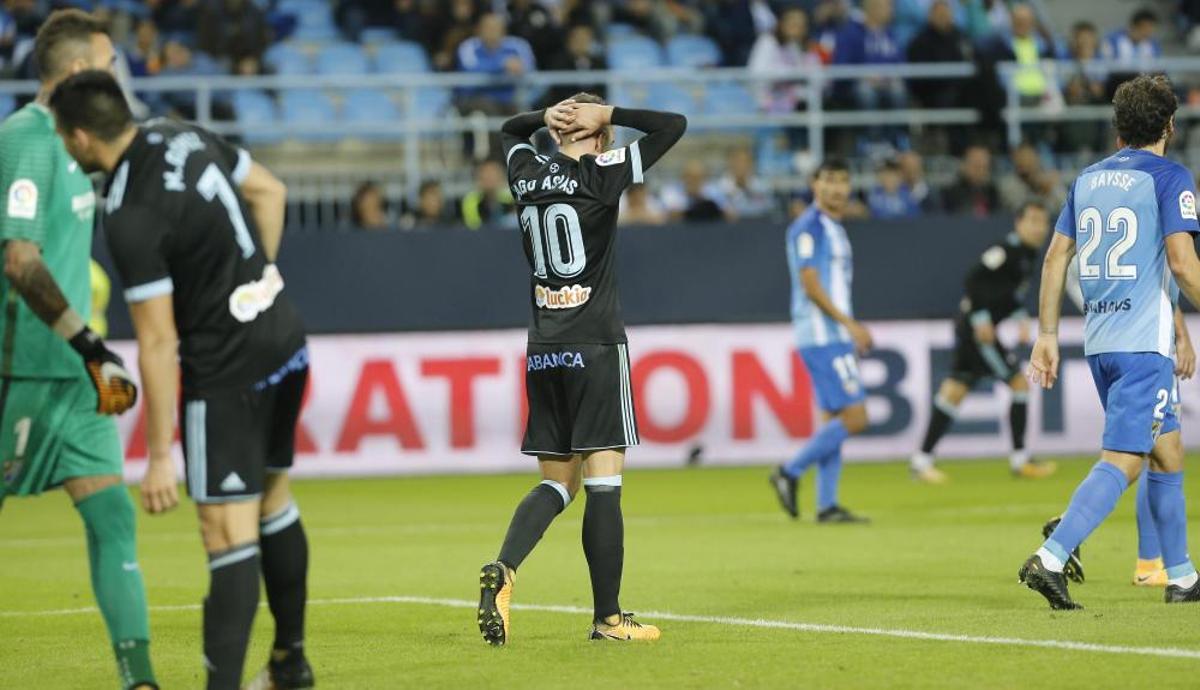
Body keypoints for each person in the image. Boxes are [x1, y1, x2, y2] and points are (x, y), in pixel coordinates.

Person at [50, 69, 315, 687]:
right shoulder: (182, 133)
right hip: (283, 336)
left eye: (64, 137)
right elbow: (270, 191)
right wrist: (254, 281)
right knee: (273, 499)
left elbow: (157, 340)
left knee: (224, 529)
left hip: (225, 368)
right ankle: (289, 663)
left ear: (81, 137)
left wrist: (159, 455)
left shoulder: (128, 210)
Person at [478, 94, 686, 645]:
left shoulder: (525, 173)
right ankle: (609, 620)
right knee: (604, 485)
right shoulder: (600, 174)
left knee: (557, 483)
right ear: (600, 136)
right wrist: (610, 114)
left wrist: (543, 117)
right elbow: (673, 125)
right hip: (594, 344)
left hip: (544, 348)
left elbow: (509, 128)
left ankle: (504, 567)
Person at [0, 11, 153, 690]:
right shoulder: (27, 139)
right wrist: (90, 341)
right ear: (76, 70)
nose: (117, 74)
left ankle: (139, 679)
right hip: (17, 371)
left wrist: (87, 353)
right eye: (109, 62)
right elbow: (21, 260)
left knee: (113, 518)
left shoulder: (77, 141)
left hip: (72, 375)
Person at [1021, 74, 1200, 609]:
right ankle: (1051, 556)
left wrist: (1047, 334)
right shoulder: (1171, 177)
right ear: (1170, 125)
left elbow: (1057, 257)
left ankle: (1182, 576)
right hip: (1144, 346)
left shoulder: (1088, 179)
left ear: (1118, 128)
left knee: (1167, 452)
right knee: (1125, 458)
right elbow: (1181, 264)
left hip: (1102, 341)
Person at [910, 202, 1057, 484]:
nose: (1039, 228)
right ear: (1018, 223)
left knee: (954, 392)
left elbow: (1004, 295)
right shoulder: (1006, 250)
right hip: (976, 330)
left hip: (971, 327)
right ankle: (1020, 460)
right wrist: (980, 319)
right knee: (1019, 384)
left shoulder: (1027, 255)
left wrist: (1020, 317)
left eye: (1043, 222)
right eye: (1033, 221)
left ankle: (921, 461)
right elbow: (973, 279)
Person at [768, 159, 871, 524]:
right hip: (823, 334)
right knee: (856, 417)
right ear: (815, 184)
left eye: (843, 181)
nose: (837, 188)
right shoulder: (809, 226)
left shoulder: (833, 227)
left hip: (831, 334)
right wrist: (850, 325)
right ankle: (789, 471)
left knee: (834, 420)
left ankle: (827, 504)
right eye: (829, 180)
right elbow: (810, 284)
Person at [943, 144, 999, 218]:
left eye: (984, 166)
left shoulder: (993, 192)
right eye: (976, 165)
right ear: (963, 165)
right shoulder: (950, 193)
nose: (980, 170)